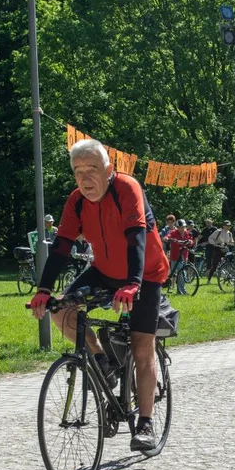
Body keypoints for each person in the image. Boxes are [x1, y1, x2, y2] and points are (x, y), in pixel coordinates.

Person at [28, 139, 170, 452]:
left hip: (144, 273)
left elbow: (137, 239)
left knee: (141, 343)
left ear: (108, 170)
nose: (85, 178)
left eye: (92, 169)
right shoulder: (76, 201)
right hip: (105, 270)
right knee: (62, 311)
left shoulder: (127, 189)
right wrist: (43, 290)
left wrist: (133, 283)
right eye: (78, 172)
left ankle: (145, 422)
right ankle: (102, 363)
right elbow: (62, 246)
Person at [166, 219, 194, 294]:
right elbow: (168, 236)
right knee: (175, 274)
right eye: (180, 227)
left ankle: (181, 291)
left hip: (184, 256)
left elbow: (191, 241)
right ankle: (174, 288)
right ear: (177, 227)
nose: (182, 229)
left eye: (183, 227)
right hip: (175, 256)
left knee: (182, 273)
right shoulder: (173, 233)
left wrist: (190, 242)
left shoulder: (187, 233)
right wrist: (167, 239)